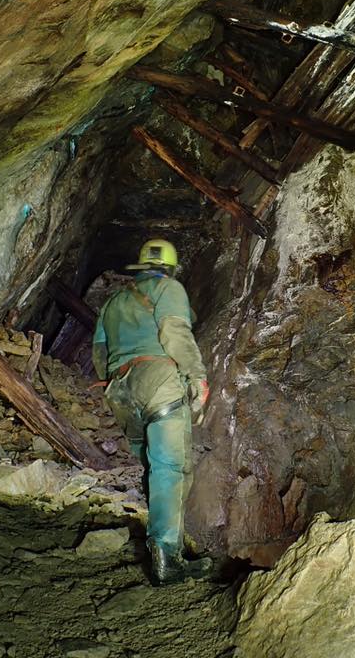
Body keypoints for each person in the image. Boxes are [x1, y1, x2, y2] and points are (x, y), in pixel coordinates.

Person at [91, 238, 211, 585]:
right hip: (158, 381)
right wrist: (198, 378)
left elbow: (100, 354)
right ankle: (166, 557)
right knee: (171, 468)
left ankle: (166, 544)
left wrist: (116, 383)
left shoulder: (112, 302)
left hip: (121, 390)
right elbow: (174, 333)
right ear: (170, 267)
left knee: (153, 467)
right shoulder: (168, 288)